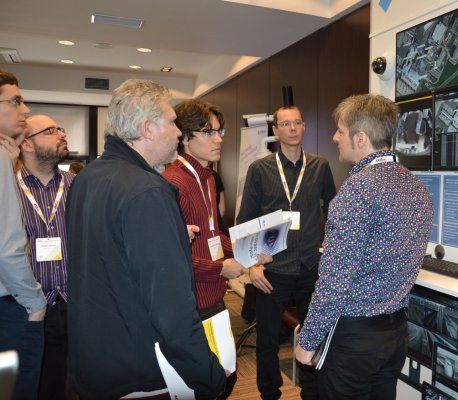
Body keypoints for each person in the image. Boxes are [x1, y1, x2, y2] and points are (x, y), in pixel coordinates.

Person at [66, 79, 226, 399]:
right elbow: (170, 305)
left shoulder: (87, 178)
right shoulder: (148, 191)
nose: (179, 133)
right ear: (147, 129)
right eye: (172, 122)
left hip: (96, 360)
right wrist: (208, 375)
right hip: (141, 368)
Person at [295, 94, 433, 400]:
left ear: (360, 139)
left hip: (354, 341)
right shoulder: (417, 188)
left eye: (340, 131)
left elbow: (335, 282)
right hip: (395, 334)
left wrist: (308, 340)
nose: (334, 137)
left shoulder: (356, 192)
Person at [162, 99, 272, 398]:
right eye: (209, 132)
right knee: (202, 386)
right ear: (185, 137)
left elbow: (212, 235)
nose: (219, 139)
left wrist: (246, 250)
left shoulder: (208, 177)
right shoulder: (173, 183)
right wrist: (221, 268)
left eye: (219, 131)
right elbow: (172, 258)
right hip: (191, 304)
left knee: (224, 378)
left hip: (213, 297)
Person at [237, 105, 336, 400]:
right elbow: (245, 220)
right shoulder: (259, 169)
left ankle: (311, 393)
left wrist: (331, 250)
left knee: (313, 335)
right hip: (273, 269)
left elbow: (333, 212)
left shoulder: (320, 166)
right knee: (267, 340)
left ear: (304, 127)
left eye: (297, 123)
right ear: (275, 130)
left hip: (310, 268)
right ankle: (270, 394)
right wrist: (252, 266)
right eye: (285, 124)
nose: (292, 128)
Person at [17, 114, 74, 399]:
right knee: (42, 385)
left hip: (77, 304)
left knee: (81, 383)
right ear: (27, 144)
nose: (62, 134)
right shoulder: (9, 189)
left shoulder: (77, 185)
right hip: (31, 309)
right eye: (51, 131)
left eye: (61, 128)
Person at [0, 69, 47, 399]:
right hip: (9, 307)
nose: (25, 109)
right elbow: (7, 247)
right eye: (15, 101)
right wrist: (35, 303)